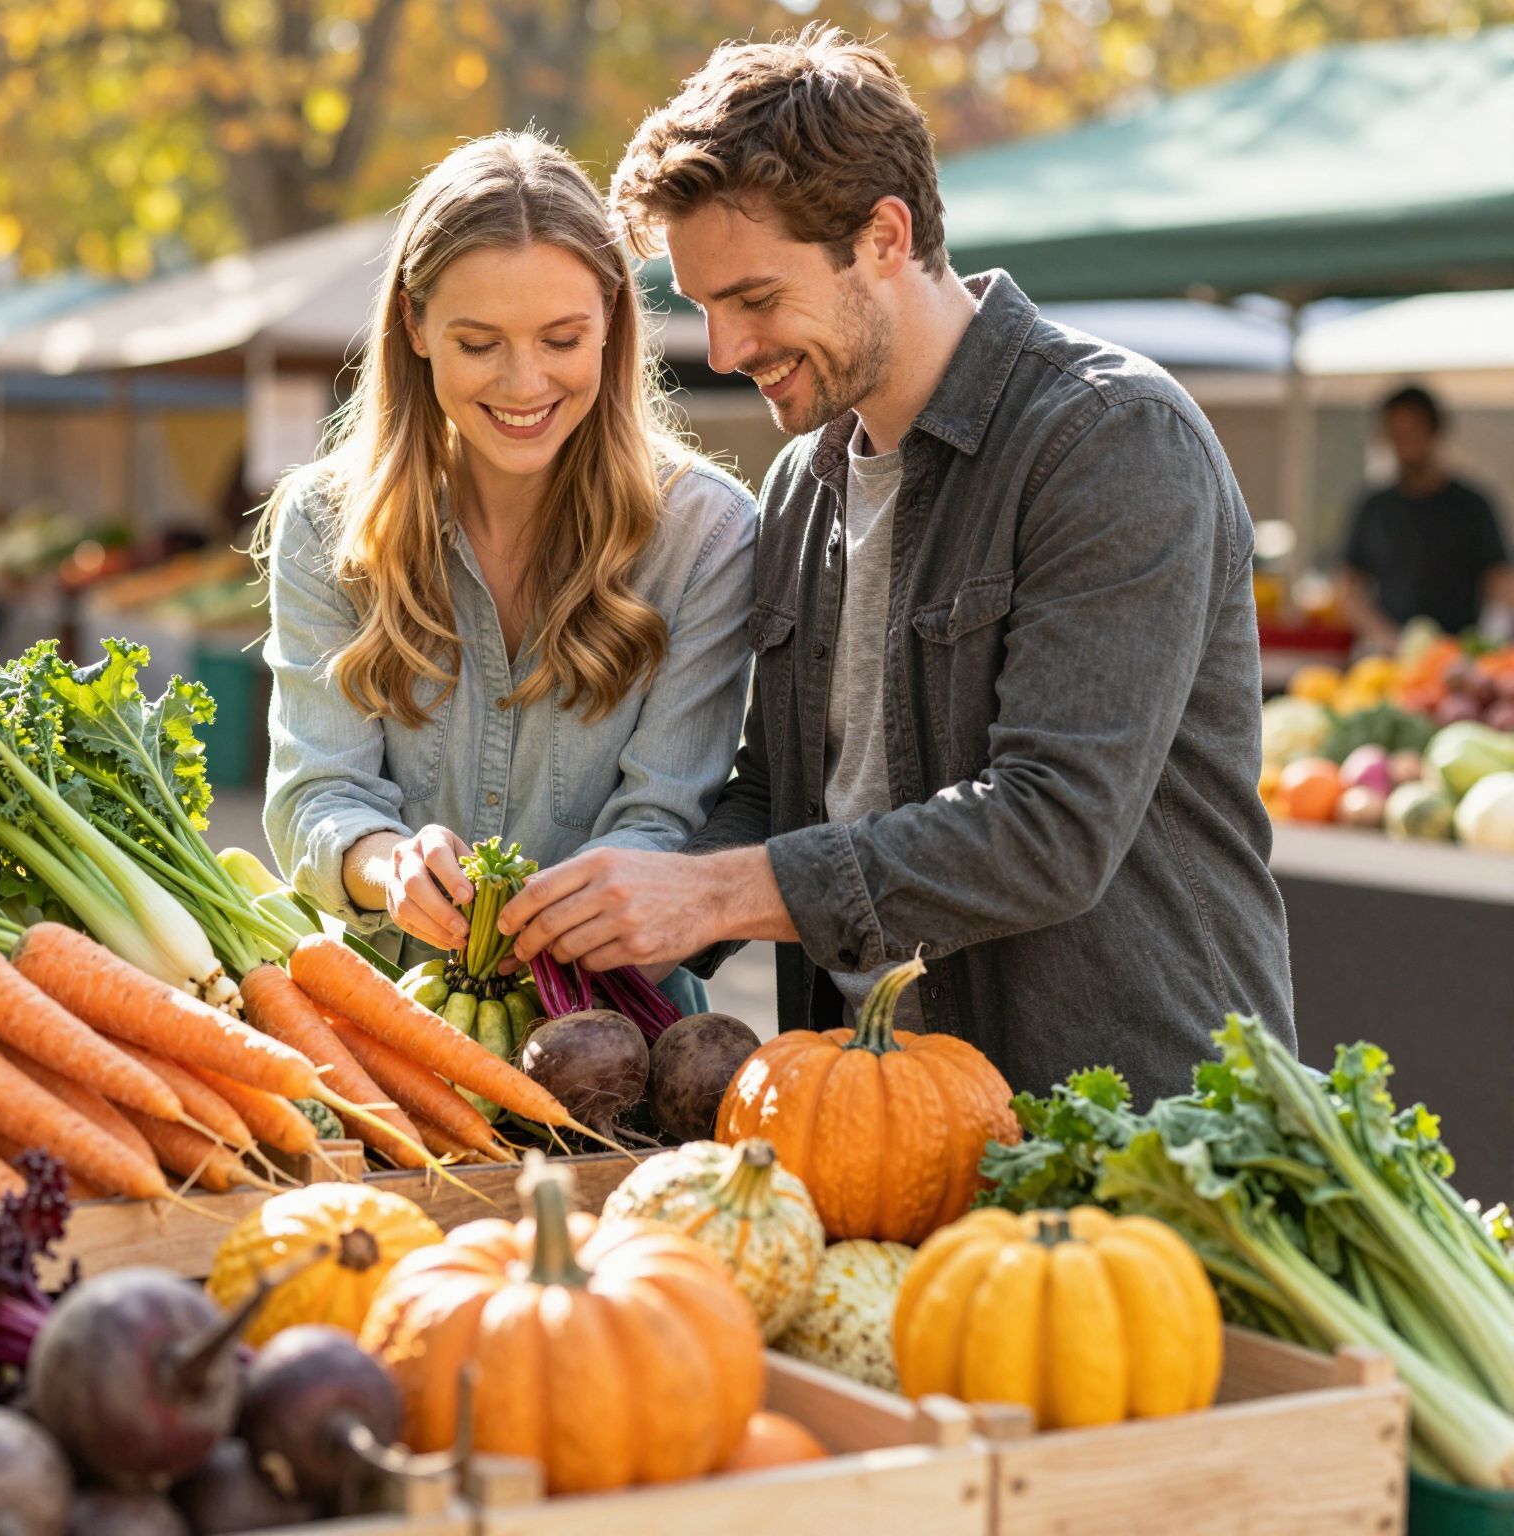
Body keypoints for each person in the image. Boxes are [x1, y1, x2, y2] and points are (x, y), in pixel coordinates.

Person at [498, 29, 1294, 1102]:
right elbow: (783, 792)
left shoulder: (1110, 440)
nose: (725, 352)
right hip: (869, 1111)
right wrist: (627, 912)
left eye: (755, 299)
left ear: (882, 234)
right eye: (703, 308)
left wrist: (719, 897)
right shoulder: (796, 488)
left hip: (1116, 1124)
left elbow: (1047, 827)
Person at [256, 132, 757, 1010]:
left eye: (561, 338)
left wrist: (538, 929)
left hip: (616, 1031)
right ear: (414, 326)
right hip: (388, 1027)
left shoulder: (705, 534)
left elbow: (665, 821)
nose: (524, 384)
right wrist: (389, 866)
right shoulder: (324, 523)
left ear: (610, 316)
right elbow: (315, 796)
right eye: (479, 343)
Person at [1337, 384, 1514, 646]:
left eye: (1413, 431)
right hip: (1390, 653)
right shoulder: (1374, 507)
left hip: (1457, 649)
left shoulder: (1472, 505)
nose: (1405, 443)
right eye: (1396, 433)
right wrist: (1383, 637)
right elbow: (1348, 586)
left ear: (1434, 431)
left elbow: (1499, 581)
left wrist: (1488, 641)